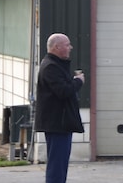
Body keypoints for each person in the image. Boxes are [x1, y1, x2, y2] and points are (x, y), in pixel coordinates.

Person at [34, 32, 85, 183]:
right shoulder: (51, 67)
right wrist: (78, 81)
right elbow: (63, 91)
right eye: (67, 45)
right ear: (56, 47)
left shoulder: (55, 65)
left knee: (60, 163)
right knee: (57, 165)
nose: (71, 47)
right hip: (57, 123)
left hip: (60, 123)